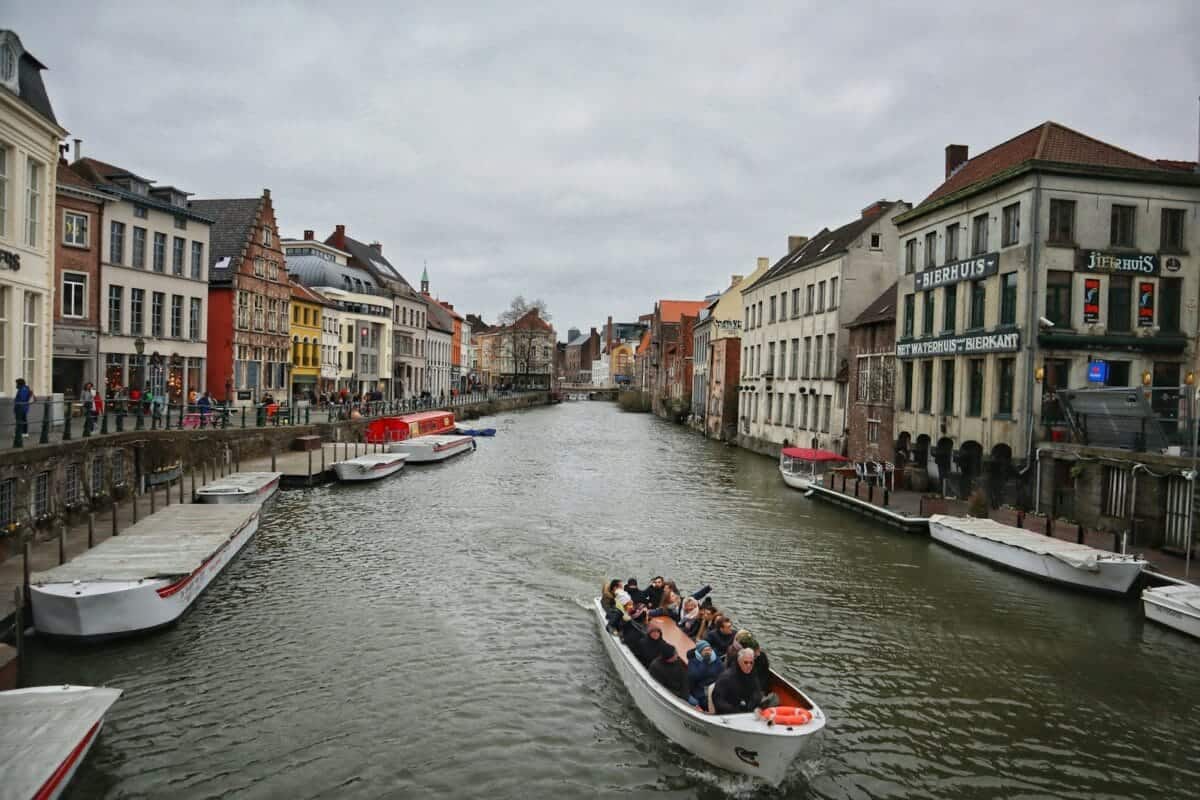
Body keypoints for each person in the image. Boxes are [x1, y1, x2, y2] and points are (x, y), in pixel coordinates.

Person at [710, 648, 766, 715]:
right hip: (730, 712)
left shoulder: (752, 674)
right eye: (746, 662)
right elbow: (718, 700)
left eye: (751, 663)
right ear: (739, 662)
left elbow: (757, 690)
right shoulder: (726, 677)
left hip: (747, 709)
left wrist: (752, 704)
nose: (749, 665)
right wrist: (735, 711)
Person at [686, 640, 724, 707]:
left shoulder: (716, 660)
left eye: (709, 649)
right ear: (700, 652)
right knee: (709, 703)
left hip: (714, 687)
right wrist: (705, 663)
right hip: (700, 689)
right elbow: (694, 676)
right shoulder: (693, 661)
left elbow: (721, 673)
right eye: (705, 650)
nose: (708, 652)